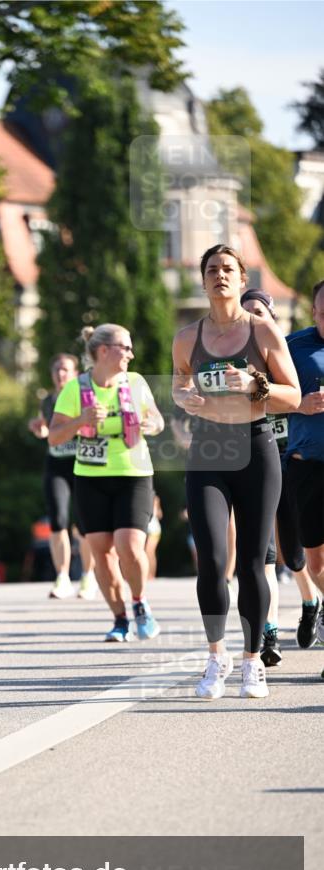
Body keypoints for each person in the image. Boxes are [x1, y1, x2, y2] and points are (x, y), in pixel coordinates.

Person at [172, 245, 300, 700]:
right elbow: (180, 384)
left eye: (228, 269)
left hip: (256, 448)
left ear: (241, 279)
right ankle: (215, 657)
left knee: (251, 561)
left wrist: (255, 384)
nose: (220, 276)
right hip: (208, 449)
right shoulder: (187, 337)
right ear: (203, 281)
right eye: (212, 270)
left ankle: (251, 663)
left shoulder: (262, 331)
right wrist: (185, 398)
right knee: (210, 558)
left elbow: (294, 396)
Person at [48, 324, 164, 641]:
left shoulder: (137, 383)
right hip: (91, 479)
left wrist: (150, 422)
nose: (131, 353)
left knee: (129, 545)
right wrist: (81, 421)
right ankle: (119, 618)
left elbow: (157, 420)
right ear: (103, 351)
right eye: (124, 348)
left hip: (134, 475)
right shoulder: (75, 389)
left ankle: (140, 604)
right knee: (102, 554)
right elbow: (54, 436)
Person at [240, 287, 319, 663]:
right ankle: (269, 634)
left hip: (292, 461)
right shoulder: (233, 359)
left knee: (294, 553)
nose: (252, 317)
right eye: (246, 312)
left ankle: (309, 599)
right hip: (257, 462)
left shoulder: (287, 352)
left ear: (271, 316)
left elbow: (297, 399)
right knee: (264, 553)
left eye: (259, 311)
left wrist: (297, 405)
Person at [28, 354, 97, 600]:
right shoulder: (48, 400)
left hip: (82, 465)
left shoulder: (85, 396)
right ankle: (63, 577)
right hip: (56, 464)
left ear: (76, 372)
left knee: (84, 525)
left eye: (66, 370)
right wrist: (40, 429)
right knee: (58, 520)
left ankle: (88, 577)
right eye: (57, 370)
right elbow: (50, 430)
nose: (61, 374)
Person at [284, 279, 324, 664]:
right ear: (314, 312)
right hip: (306, 467)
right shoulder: (293, 346)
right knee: (315, 564)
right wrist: (301, 403)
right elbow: (264, 398)